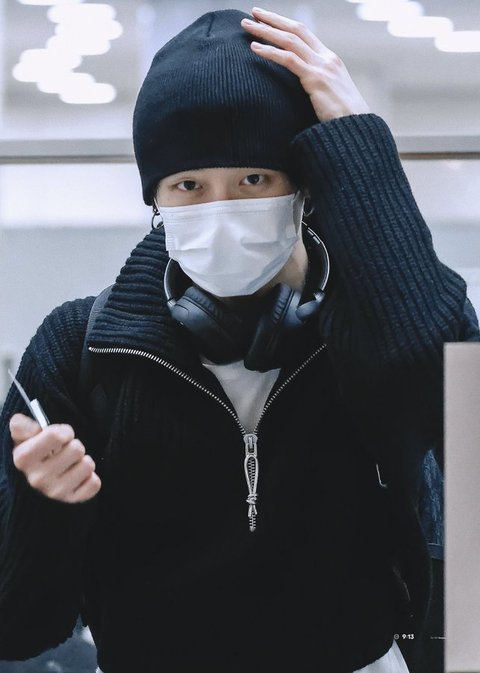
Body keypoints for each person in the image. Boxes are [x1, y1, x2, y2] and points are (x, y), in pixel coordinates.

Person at [0, 7, 478, 673]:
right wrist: (47, 508)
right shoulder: (80, 347)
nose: (221, 208)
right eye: (189, 185)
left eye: (254, 179)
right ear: (156, 200)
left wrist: (361, 149)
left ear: (303, 188)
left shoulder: (374, 328)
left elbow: (446, 404)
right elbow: (17, 627)